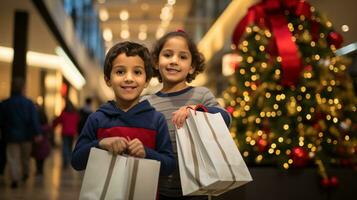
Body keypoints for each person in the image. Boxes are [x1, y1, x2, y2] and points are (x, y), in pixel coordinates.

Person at [142, 30, 231, 200]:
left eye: (183, 57)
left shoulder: (201, 95)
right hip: (158, 188)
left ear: (192, 66)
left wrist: (198, 110)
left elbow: (225, 118)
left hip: (197, 189)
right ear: (155, 62)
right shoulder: (147, 102)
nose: (174, 61)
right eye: (167, 55)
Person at [71, 41, 176, 178]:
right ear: (108, 79)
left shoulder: (156, 120)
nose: (128, 78)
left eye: (137, 72)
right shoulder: (97, 118)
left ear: (146, 81)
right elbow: (76, 161)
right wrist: (100, 144)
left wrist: (147, 153)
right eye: (120, 72)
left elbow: (169, 166)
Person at [0, 78, 42, 188]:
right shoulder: (29, 103)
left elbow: (2, 120)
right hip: (26, 136)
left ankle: (15, 178)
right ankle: (25, 173)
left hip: (11, 136)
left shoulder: (5, 103)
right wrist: (37, 133)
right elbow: (34, 119)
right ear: (23, 89)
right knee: (25, 157)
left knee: (13, 158)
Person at [52, 99, 80, 169]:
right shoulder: (75, 114)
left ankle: (65, 162)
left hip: (65, 133)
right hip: (72, 133)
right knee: (70, 147)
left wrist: (53, 126)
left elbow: (58, 121)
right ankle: (69, 160)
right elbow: (78, 122)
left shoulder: (64, 114)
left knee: (65, 147)